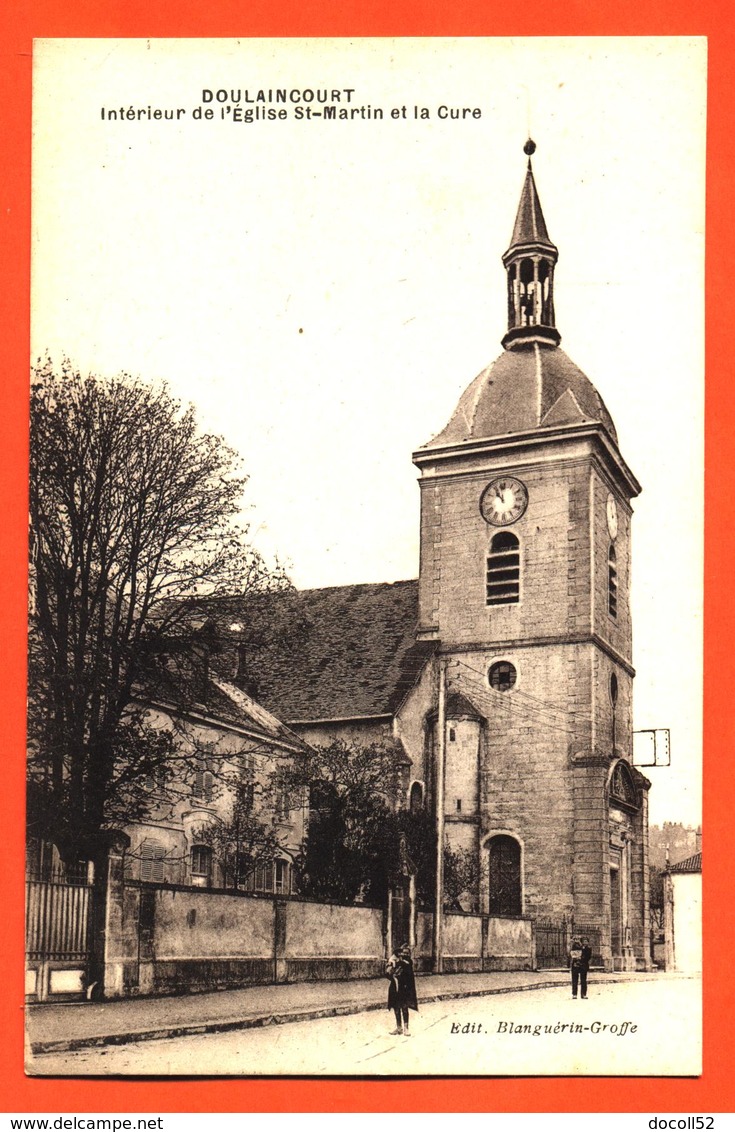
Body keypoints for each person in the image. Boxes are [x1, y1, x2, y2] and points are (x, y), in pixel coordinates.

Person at [386, 943, 418, 1035]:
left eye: (407, 953)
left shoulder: (408, 962)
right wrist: (390, 971)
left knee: (404, 1008)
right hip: (395, 987)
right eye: (403, 953)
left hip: (404, 988)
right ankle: (399, 1027)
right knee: (396, 1007)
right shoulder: (396, 960)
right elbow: (388, 973)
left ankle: (406, 1028)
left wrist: (394, 963)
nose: (404, 955)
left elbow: (405, 966)